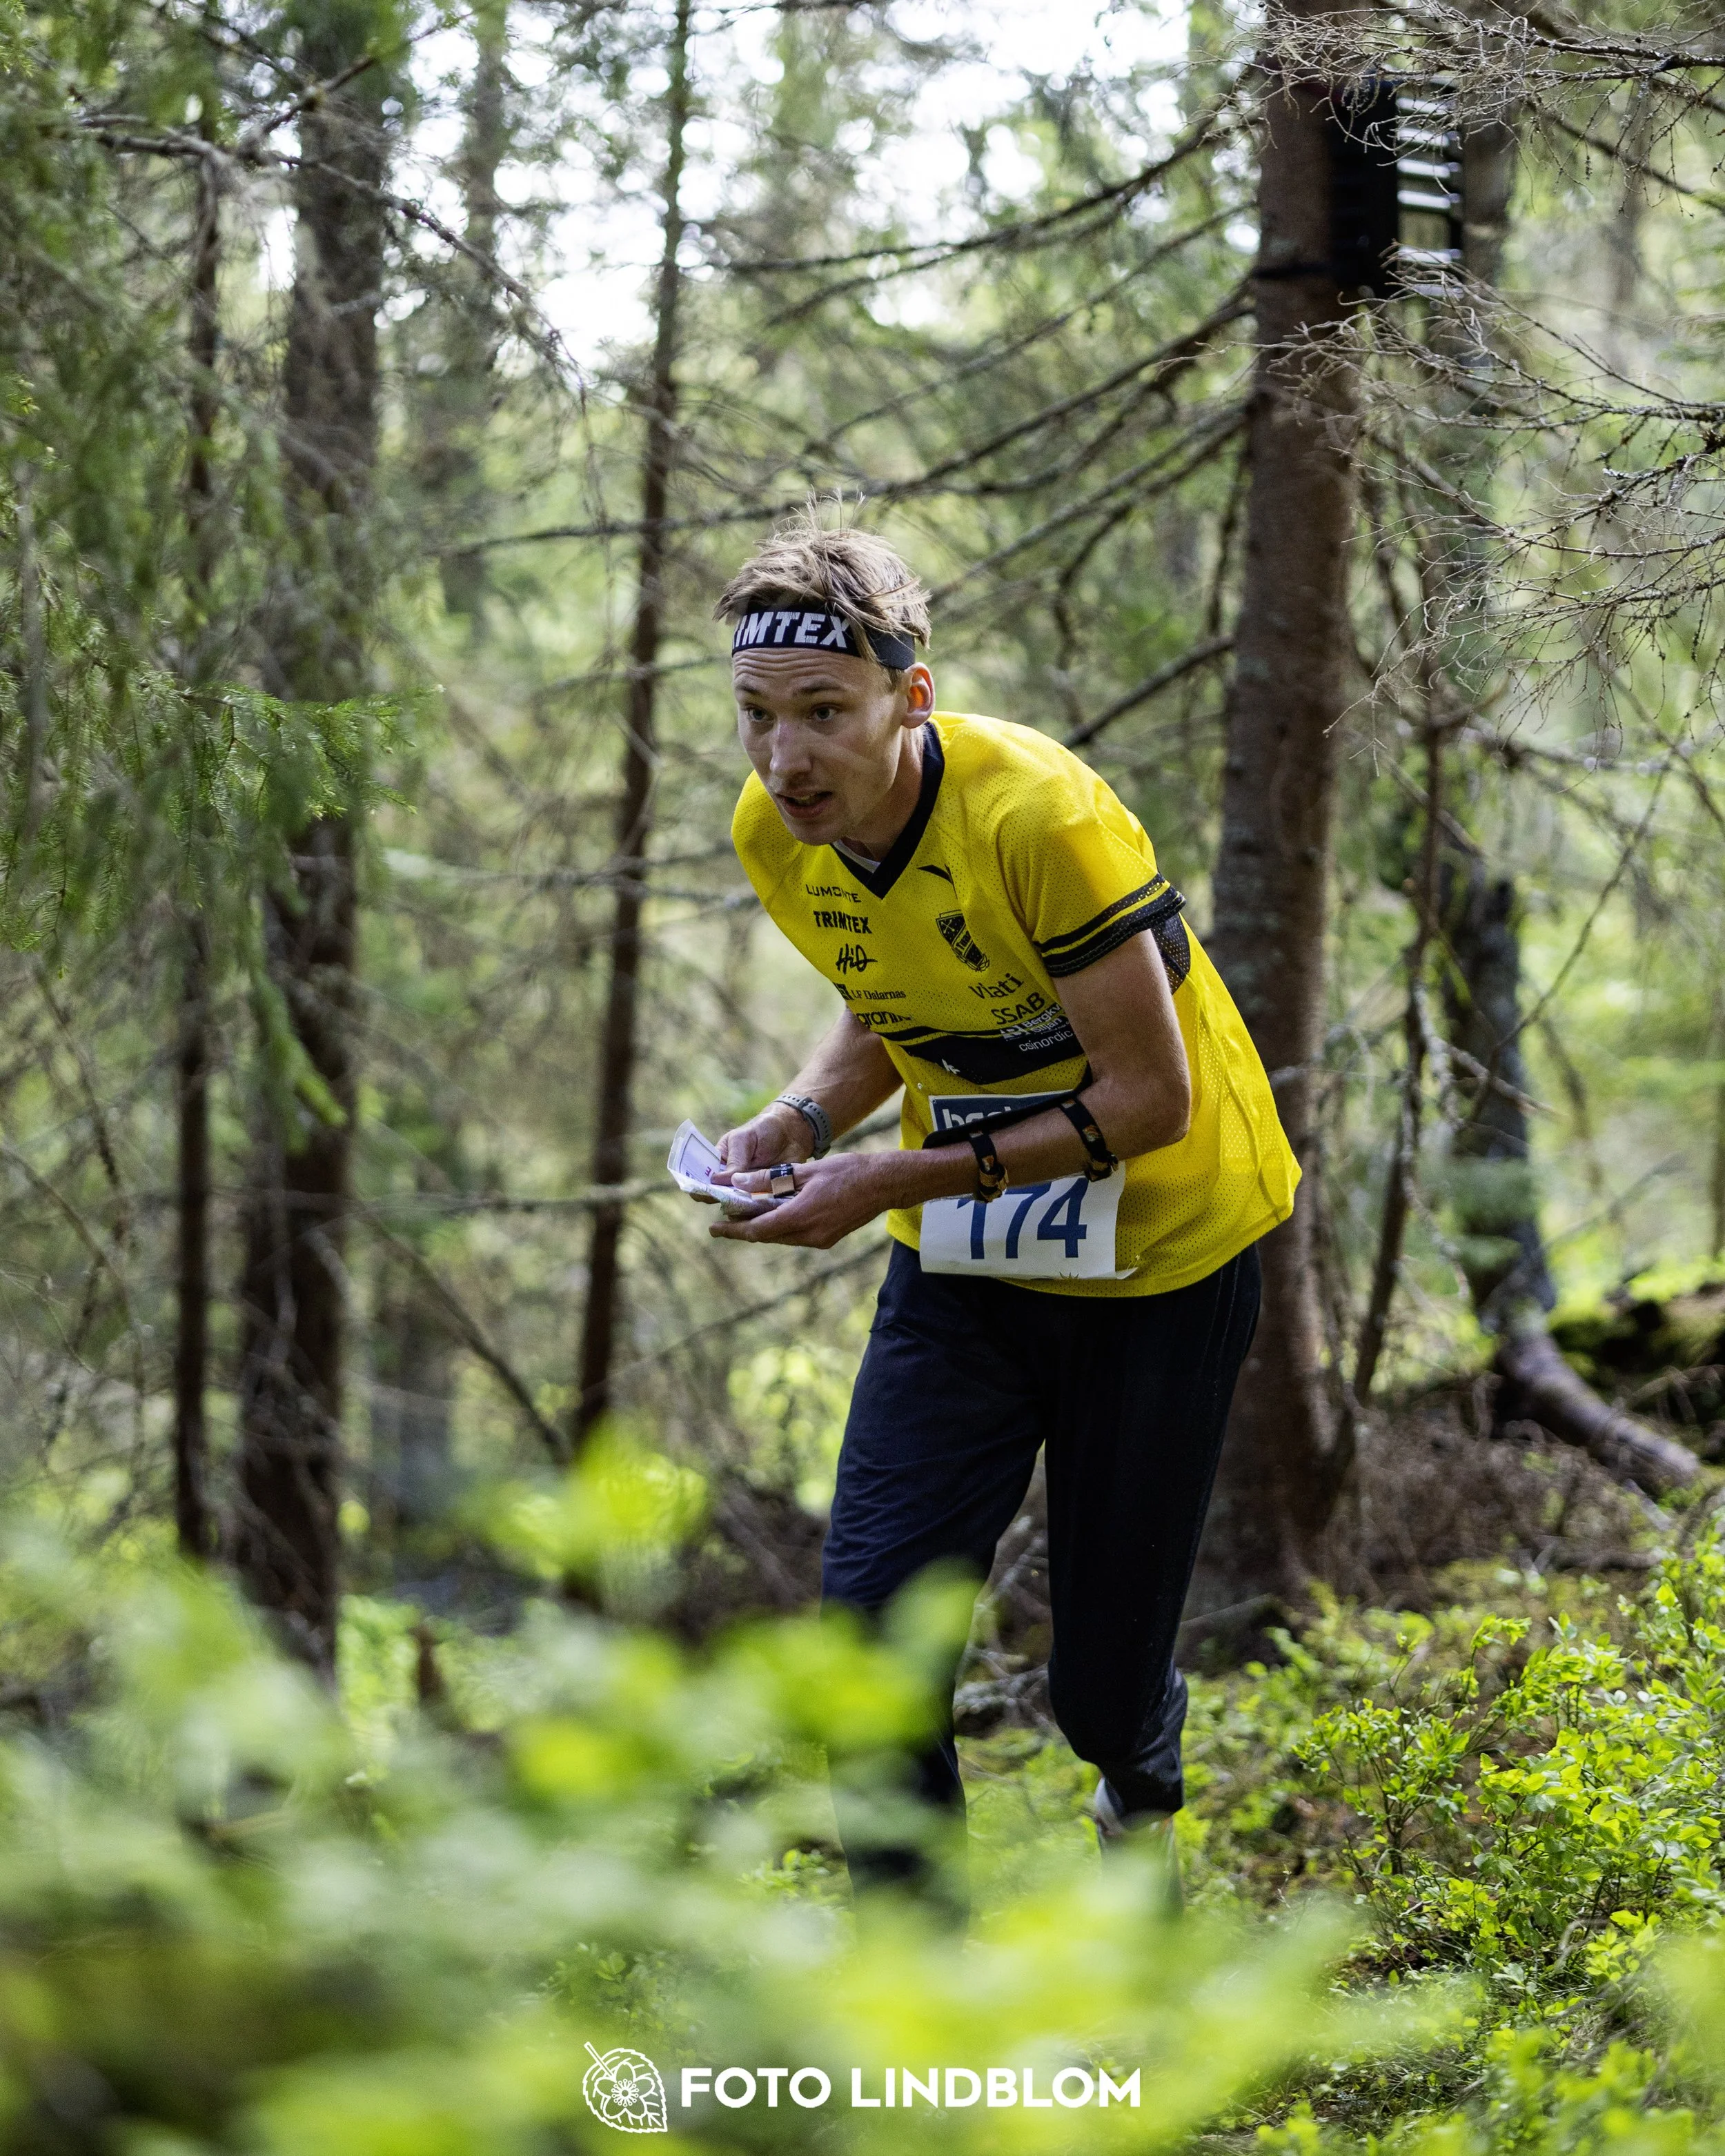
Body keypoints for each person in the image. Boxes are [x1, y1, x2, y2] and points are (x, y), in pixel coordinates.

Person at [697, 515, 1298, 1894]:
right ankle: (918, 1993)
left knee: (1095, 1682)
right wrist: (800, 1117)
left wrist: (879, 1178)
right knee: (867, 1650)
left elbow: (1148, 1097)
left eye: (823, 716)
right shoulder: (773, 830)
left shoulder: (1040, 817)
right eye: (755, 716)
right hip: (965, 1260)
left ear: (909, 699)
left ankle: (1138, 1781)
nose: (786, 760)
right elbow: (891, 995)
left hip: (1165, 1253)